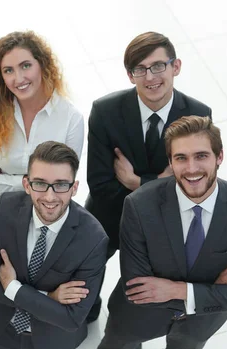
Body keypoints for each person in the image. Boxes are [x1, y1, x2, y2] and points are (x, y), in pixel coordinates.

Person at [88, 116, 227, 349]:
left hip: (201, 322)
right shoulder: (139, 205)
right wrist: (214, 288)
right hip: (136, 316)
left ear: (219, 157)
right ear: (170, 162)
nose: (192, 168)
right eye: (181, 158)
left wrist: (177, 290)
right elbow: (138, 289)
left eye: (201, 156)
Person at [0, 31, 84, 349]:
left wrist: (0, 177)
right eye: (8, 71)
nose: (18, 78)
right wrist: (28, 183)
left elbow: (63, 181)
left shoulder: (69, 118)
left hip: (43, 210)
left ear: (42, 65)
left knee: (29, 268)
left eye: (25, 66)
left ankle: (27, 321)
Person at [84, 32, 212, 332]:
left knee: (143, 283)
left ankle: (128, 330)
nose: (150, 77)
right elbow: (100, 185)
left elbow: (195, 187)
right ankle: (88, 310)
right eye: (140, 69)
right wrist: (160, 181)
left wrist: (135, 180)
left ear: (175, 67)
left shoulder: (199, 115)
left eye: (158, 66)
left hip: (163, 220)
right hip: (109, 210)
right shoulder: (105, 111)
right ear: (130, 75)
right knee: (86, 264)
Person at [0, 141, 108, 349]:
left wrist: (14, 288)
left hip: (53, 337)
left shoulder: (93, 238)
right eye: (40, 183)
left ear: (75, 187)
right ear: (26, 184)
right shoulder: (3, 210)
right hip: (3, 325)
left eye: (61, 184)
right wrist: (50, 297)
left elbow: (71, 318)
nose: (50, 196)